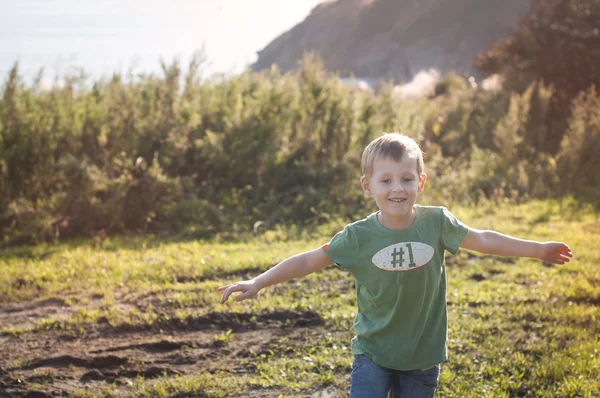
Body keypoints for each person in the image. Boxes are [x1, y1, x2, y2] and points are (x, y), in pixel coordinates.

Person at [218, 133, 573, 397]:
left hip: (422, 354)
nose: (396, 188)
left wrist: (538, 250)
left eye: (406, 179)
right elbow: (310, 259)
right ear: (367, 186)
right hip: (373, 351)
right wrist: (259, 282)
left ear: (420, 182)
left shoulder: (437, 223)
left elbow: (482, 239)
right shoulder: (358, 237)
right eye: (385, 180)